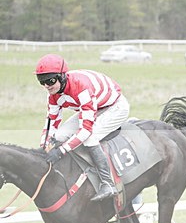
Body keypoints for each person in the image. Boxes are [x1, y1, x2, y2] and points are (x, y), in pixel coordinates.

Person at [35, 54, 130, 201]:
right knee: (59, 135)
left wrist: (60, 151)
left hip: (115, 107)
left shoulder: (81, 87)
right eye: (41, 81)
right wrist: (44, 146)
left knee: (90, 137)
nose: (47, 85)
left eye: (50, 80)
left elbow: (85, 130)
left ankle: (108, 183)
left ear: (62, 76)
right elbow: (51, 124)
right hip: (94, 106)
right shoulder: (52, 95)